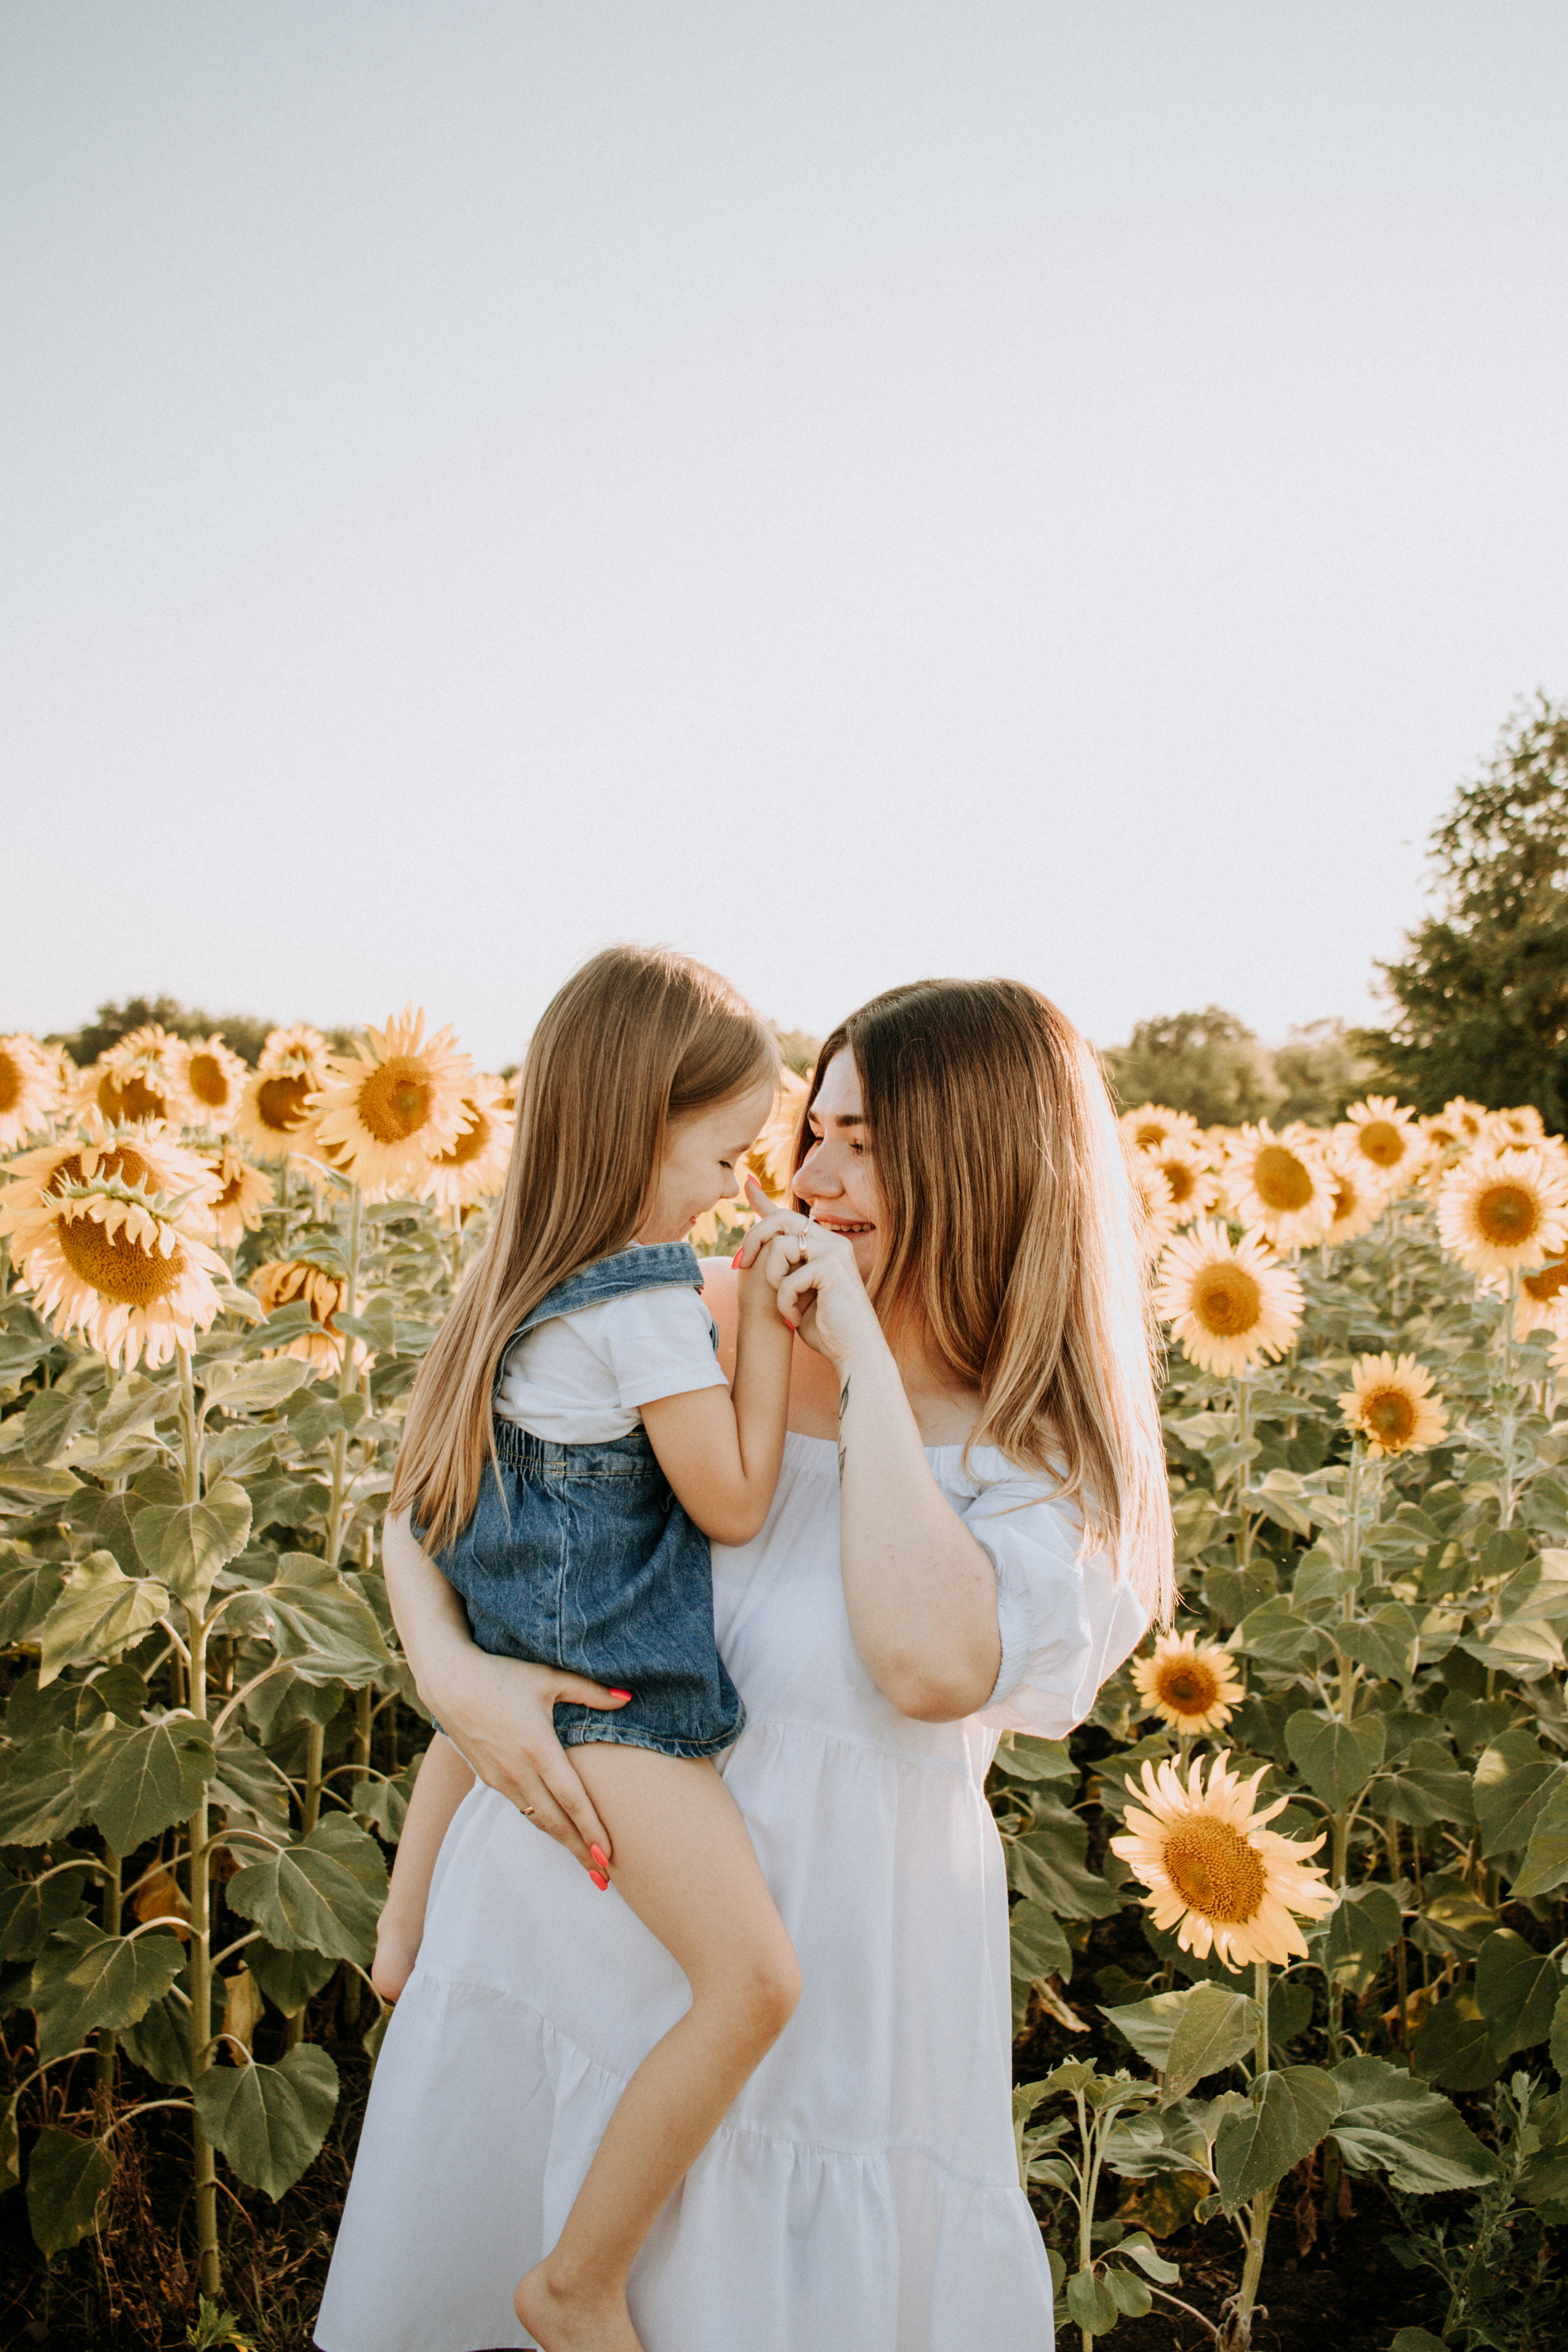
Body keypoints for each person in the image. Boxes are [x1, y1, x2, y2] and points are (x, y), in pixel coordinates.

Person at [315, 975, 1172, 2352]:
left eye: (868, 1145)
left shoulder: (1045, 1464)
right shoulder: (690, 1318)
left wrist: (864, 1366)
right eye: (812, 1134)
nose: (812, 1179)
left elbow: (924, 1661)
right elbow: (440, 1498)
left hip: (817, 2028)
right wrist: (450, 1677)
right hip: (558, 1956)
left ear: (987, 1164)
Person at [372, 945, 813, 2352]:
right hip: (611, 1703)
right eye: (725, 1153)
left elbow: (445, 1549)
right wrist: (747, 1323)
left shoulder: (519, 1280)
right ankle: (578, 2283)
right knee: (754, 1985)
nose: (737, 1188)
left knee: (486, 1688)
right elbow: (733, 1504)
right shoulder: (641, 1307)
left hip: (505, 1670)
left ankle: (401, 1927)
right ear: (640, 1127)